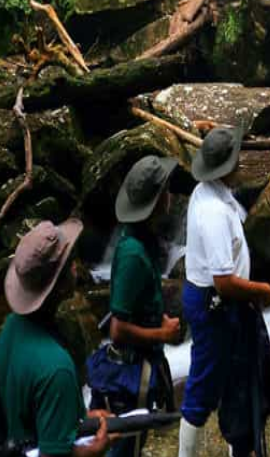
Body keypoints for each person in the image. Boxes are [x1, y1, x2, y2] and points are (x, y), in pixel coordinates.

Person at [177, 128, 270, 457]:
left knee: (238, 379)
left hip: (223, 303)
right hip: (215, 304)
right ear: (227, 168)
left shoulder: (209, 191)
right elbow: (223, 282)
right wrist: (261, 290)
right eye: (236, 160)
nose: (241, 163)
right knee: (204, 385)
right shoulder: (214, 213)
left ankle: (240, 447)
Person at [87, 155, 184, 457]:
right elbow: (117, 330)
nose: (171, 194)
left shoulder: (140, 239)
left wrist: (157, 318)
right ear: (156, 201)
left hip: (138, 366)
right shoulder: (132, 255)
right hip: (129, 377)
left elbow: (136, 303)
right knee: (124, 447)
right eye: (166, 190)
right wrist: (163, 334)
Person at [0, 219, 111, 456]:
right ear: (60, 287)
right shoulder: (57, 368)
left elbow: (32, 407)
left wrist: (79, 416)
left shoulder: (12, 326)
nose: (76, 267)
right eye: (69, 264)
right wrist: (95, 450)